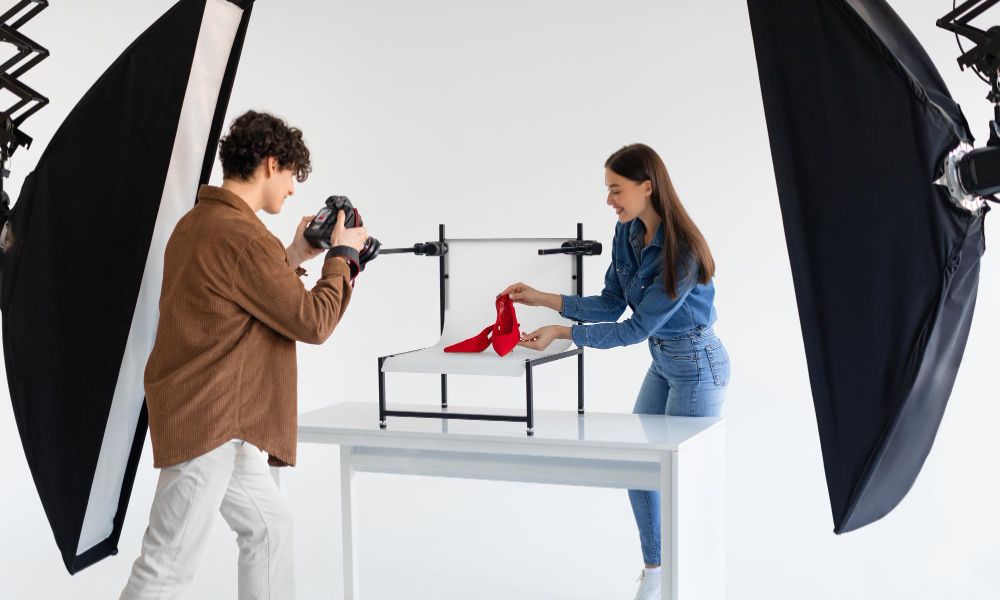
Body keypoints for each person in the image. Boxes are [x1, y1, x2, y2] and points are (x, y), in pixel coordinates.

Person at [120, 110, 367, 599]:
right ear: (271, 164)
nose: (293, 191)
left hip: (214, 418)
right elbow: (311, 321)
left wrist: (295, 254)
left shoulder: (200, 223)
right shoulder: (242, 236)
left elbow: (241, 293)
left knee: (270, 529)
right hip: (209, 420)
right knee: (165, 565)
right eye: (291, 177)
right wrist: (342, 258)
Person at [501, 143, 729, 600]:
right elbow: (611, 303)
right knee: (638, 468)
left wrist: (564, 333)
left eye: (616, 190)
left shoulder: (681, 253)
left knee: (678, 480)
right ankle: (657, 572)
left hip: (697, 366)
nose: (609, 200)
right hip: (664, 361)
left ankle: (684, 581)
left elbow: (635, 328)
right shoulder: (626, 232)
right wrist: (546, 299)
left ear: (648, 187)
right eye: (607, 190)